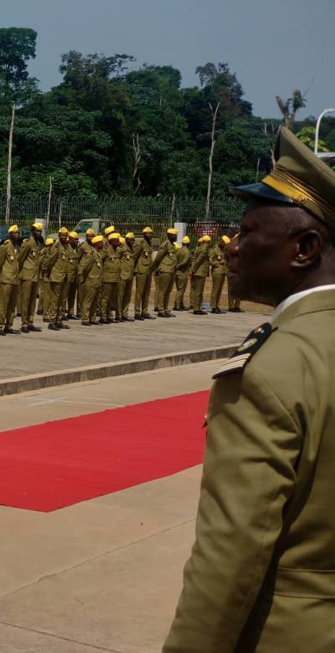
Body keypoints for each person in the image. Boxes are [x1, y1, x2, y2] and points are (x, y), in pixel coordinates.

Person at [165, 128, 335, 652]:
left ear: (303, 249)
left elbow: (232, 549)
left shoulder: (275, 366)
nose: (232, 248)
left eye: (247, 232)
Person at [0, 225, 21, 335]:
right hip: (6, 279)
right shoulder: (5, 247)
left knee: (12, 304)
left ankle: (8, 325)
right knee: (3, 304)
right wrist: (0, 277)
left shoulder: (17, 248)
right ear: (9, 235)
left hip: (15, 280)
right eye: (14, 233)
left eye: (17, 233)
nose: (16, 235)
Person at [17, 223, 43, 332]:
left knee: (33, 301)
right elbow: (20, 258)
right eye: (37, 231)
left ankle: (30, 321)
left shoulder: (38, 244)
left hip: (35, 276)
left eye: (40, 231)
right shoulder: (28, 243)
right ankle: (24, 323)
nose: (39, 233)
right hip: (27, 275)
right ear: (32, 231)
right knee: (26, 300)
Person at [78, 235, 104, 325]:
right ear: (97, 244)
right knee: (88, 301)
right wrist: (86, 278)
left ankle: (92, 318)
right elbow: (85, 268)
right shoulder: (92, 254)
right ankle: (85, 318)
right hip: (91, 281)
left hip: (97, 281)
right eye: (101, 242)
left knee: (95, 302)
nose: (103, 244)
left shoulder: (98, 253)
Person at [153, 228, 178, 318]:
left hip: (171, 270)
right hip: (164, 270)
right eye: (174, 235)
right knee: (162, 291)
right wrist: (154, 268)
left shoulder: (172, 245)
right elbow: (158, 258)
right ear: (169, 235)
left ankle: (165, 308)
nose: (176, 237)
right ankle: (160, 309)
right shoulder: (165, 245)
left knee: (168, 291)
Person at [133, 226, 155, 319]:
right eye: (147, 233)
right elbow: (135, 257)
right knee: (140, 292)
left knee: (146, 292)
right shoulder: (141, 244)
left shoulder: (150, 244)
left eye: (150, 233)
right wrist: (133, 270)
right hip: (141, 271)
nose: (149, 235)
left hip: (148, 271)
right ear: (144, 234)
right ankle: (137, 312)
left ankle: (144, 311)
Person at [190, 235, 211, 315]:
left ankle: (198, 307)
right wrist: (192, 270)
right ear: (208, 242)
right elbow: (198, 261)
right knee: (199, 292)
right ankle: (196, 309)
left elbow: (195, 260)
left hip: (197, 272)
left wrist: (192, 270)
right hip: (200, 272)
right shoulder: (205, 249)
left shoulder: (199, 248)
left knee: (197, 291)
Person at [209, 235, 230, 314]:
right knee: (215, 290)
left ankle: (217, 305)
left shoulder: (223, 250)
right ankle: (213, 306)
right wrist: (218, 263)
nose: (225, 245)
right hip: (217, 271)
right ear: (221, 241)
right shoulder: (214, 250)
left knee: (220, 290)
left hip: (222, 271)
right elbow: (210, 260)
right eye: (224, 244)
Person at [173, 236, 192, 311]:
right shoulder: (187, 252)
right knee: (181, 290)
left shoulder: (178, 250)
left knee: (179, 289)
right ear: (188, 244)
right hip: (183, 272)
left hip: (177, 272)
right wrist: (179, 265)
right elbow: (185, 261)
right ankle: (177, 305)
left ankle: (181, 304)